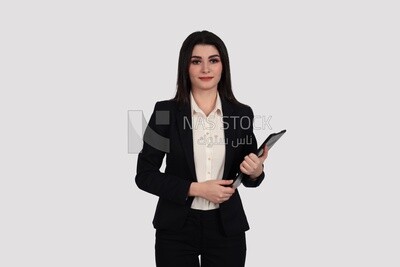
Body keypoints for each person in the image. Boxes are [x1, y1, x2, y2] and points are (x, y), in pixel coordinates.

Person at [135, 30, 269, 267]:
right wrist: (196, 189)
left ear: (223, 66)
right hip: (176, 229)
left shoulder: (241, 114)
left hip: (226, 228)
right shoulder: (164, 113)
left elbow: (248, 175)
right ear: (185, 67)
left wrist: (256, 171)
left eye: (213, 60)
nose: (206, 69)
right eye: (196, 61)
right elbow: (145, 175)